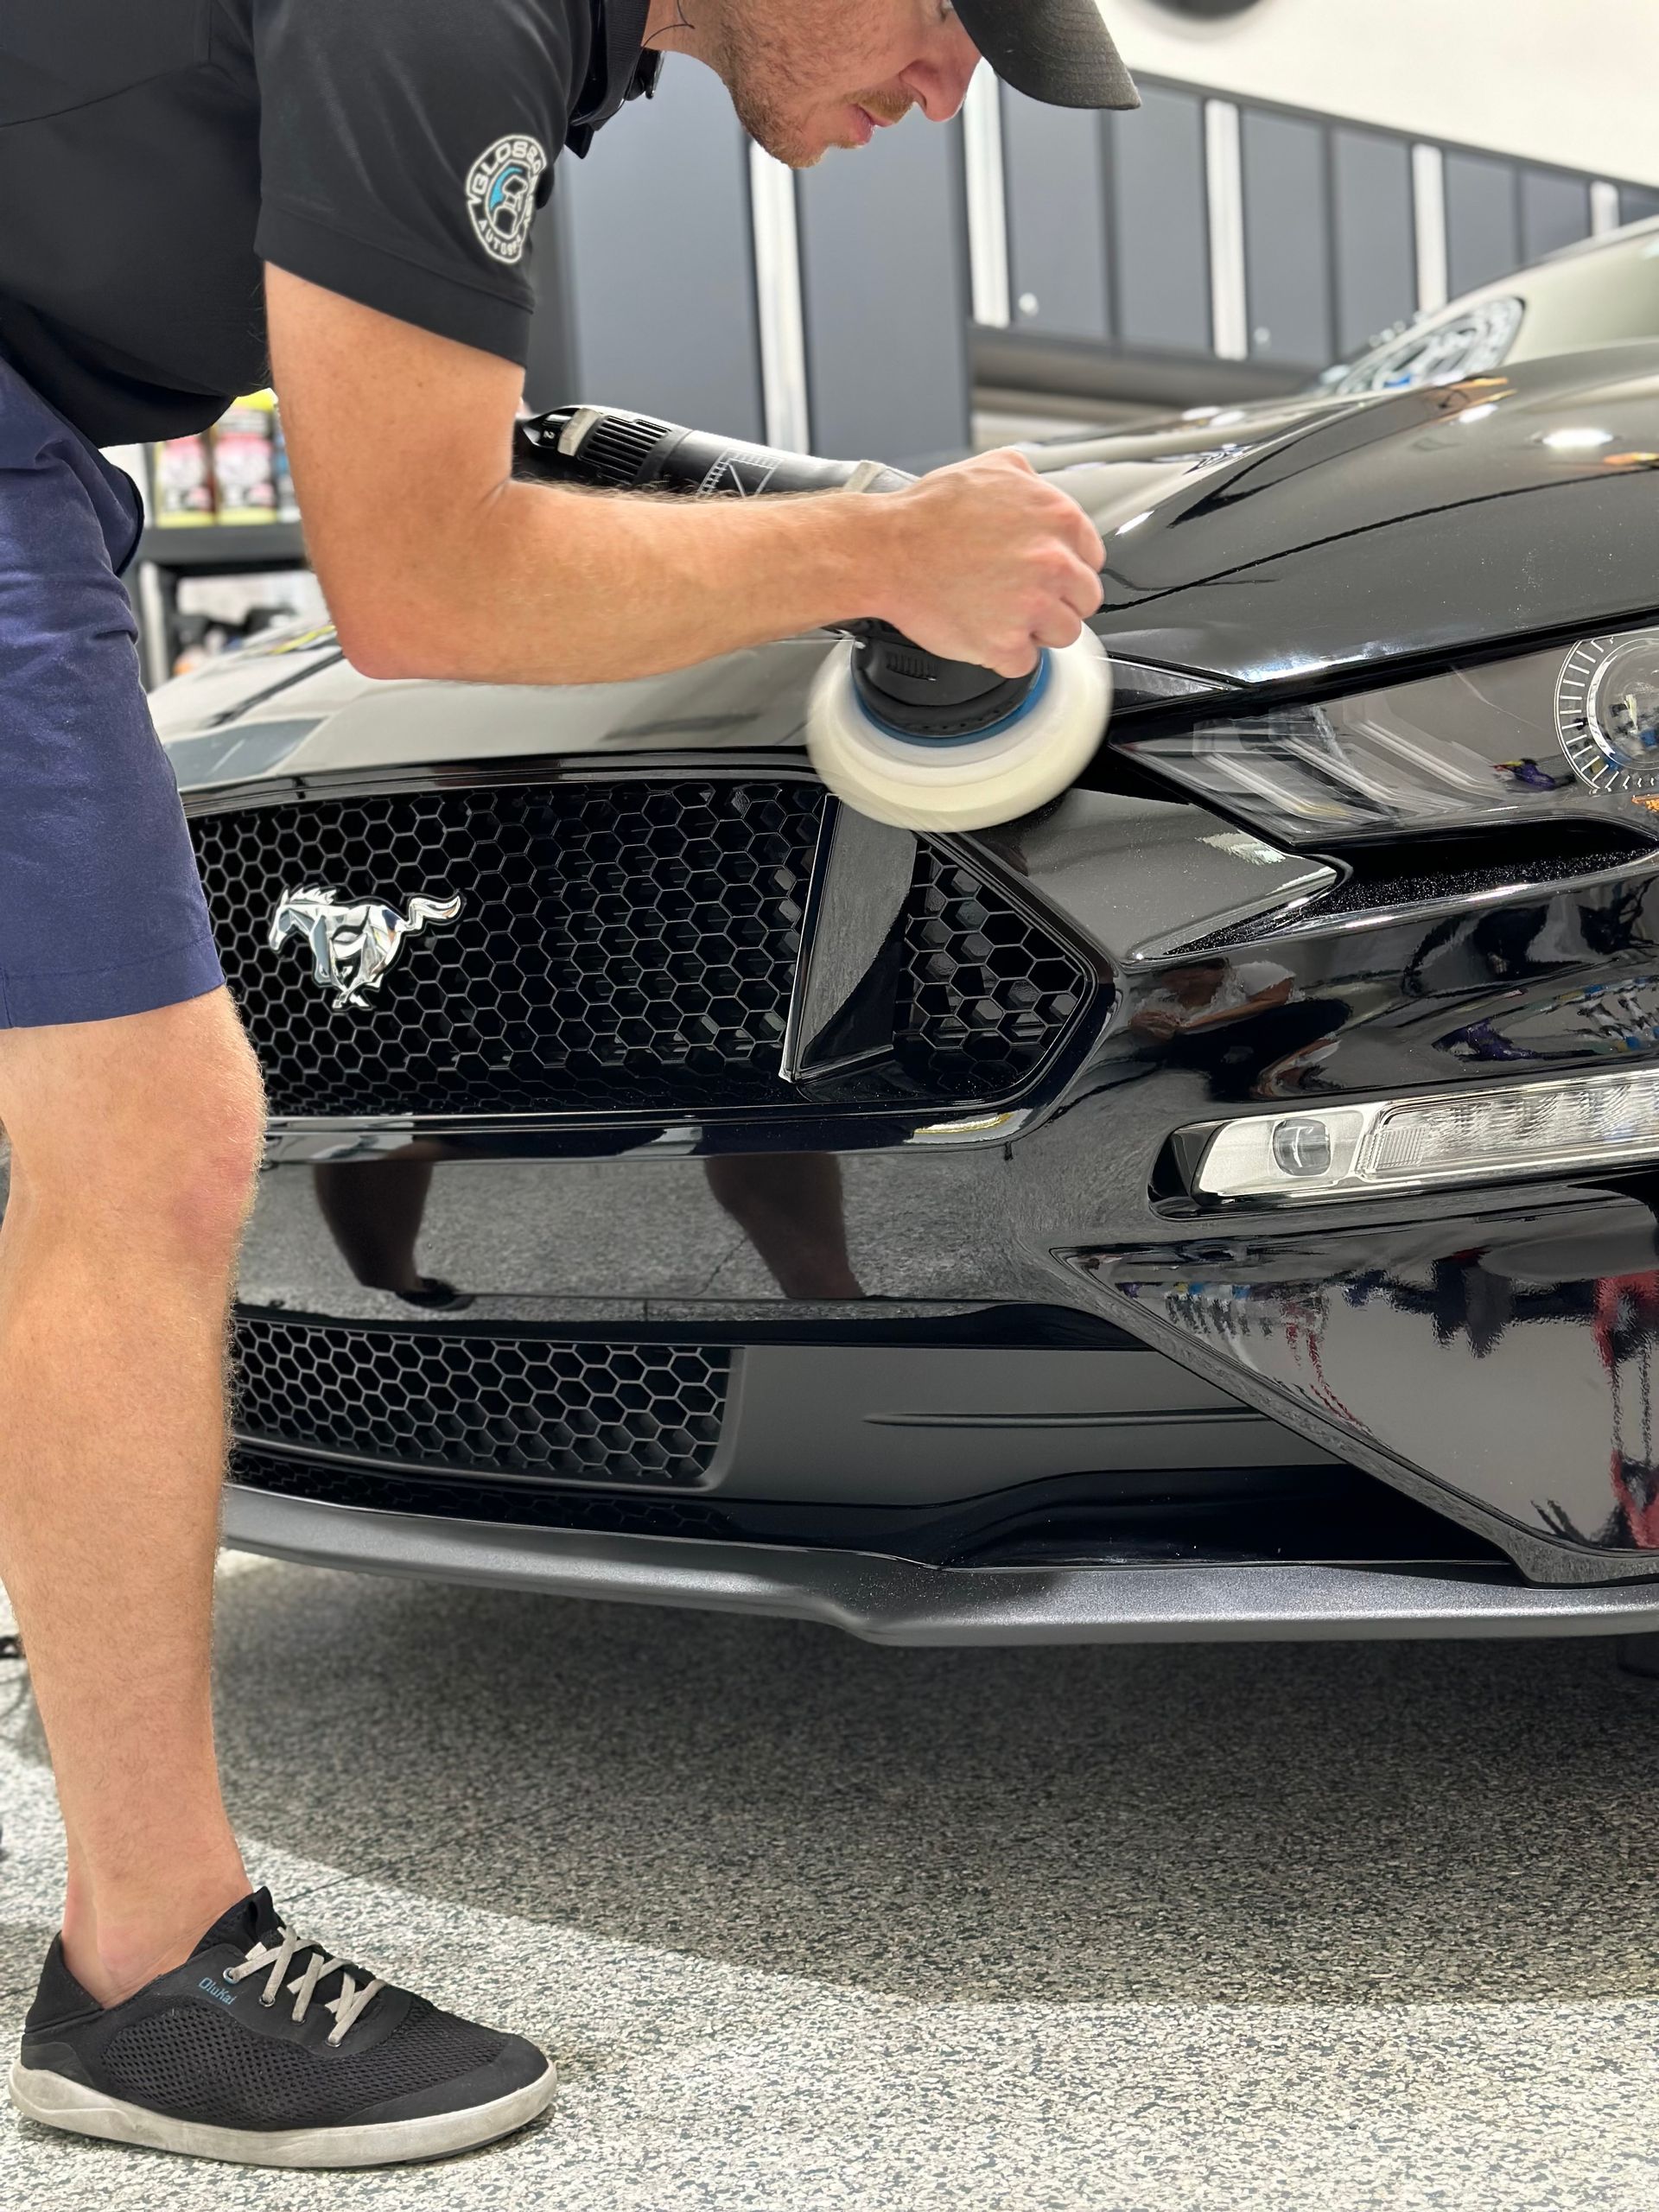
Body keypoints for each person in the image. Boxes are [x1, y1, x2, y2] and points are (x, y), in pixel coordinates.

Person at [0, 0, 1133, 2170]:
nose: (951, 84)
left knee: (88, 1123)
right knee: (147, 1136)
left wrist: (859, 514)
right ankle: (153, 1965)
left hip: (45, 439)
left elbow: (502, 438)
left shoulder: (559, 43)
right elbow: (421, 574)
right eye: (951, 14)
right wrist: (884, 559)